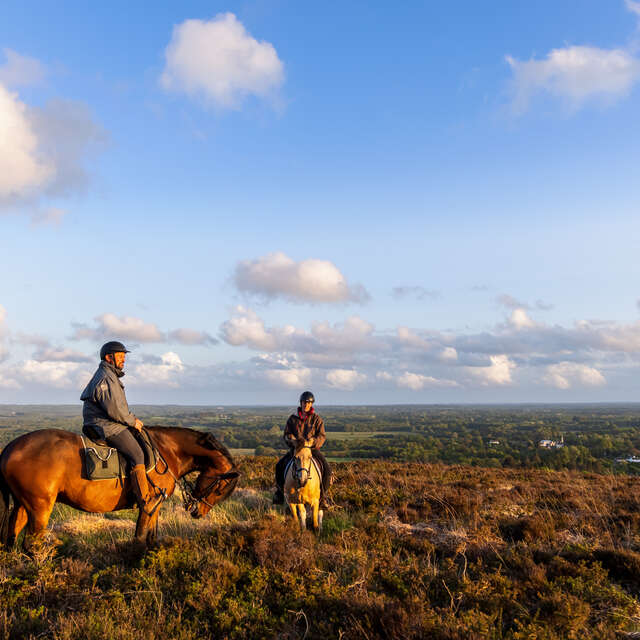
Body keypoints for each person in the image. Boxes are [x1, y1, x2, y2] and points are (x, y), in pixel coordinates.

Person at [80, 341, 162, 515]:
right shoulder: (106, 377)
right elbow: (115, 409)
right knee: (138, 454)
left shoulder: (109, 375)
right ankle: (145, 501)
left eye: (124, 356)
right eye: (120, 356)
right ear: (109, 357)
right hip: (105, 425)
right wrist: (133, 421)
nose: (124, 359)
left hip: (108, 422)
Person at [273, 390, 332, 509]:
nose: (306, 404)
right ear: (300, 403)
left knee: (327, 469)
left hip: (312, 450)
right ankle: (280, 493)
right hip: (296, 450)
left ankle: (322, 497)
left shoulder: (316, 419)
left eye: (309, 402)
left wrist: (313, 442)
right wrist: (292, 440)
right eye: (304, 402)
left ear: (312, 404)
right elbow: (286, 434)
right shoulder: (292, 419)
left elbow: (322, 436)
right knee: (279, 466)